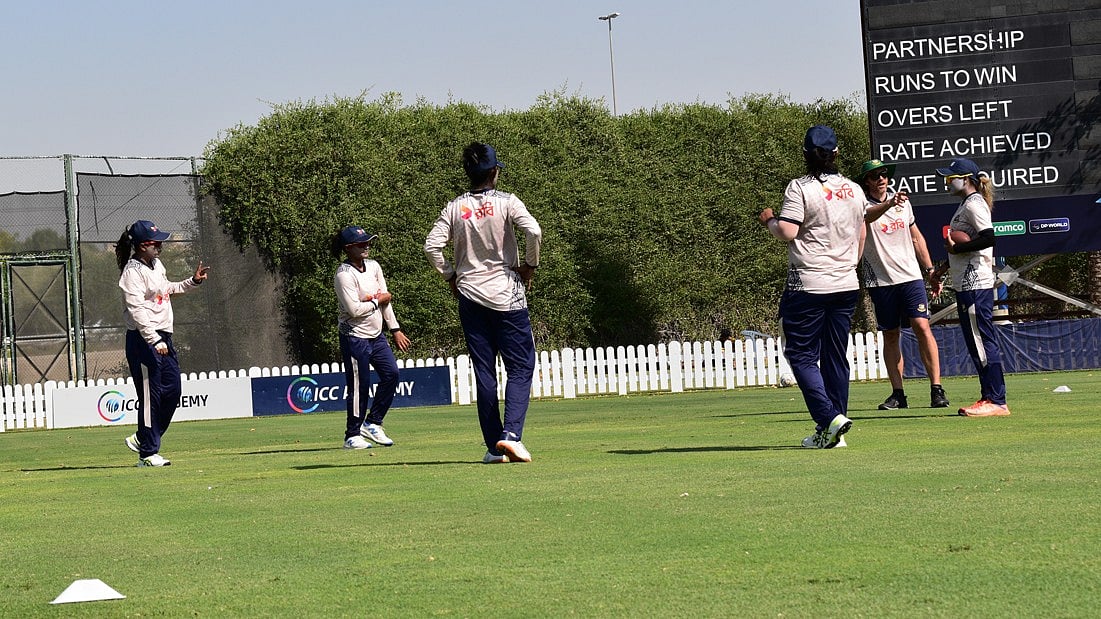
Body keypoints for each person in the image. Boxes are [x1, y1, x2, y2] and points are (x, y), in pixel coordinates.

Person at [424, 142, 542, 464]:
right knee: (520, 366)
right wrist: (530, 265)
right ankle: (512, 436)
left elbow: (431, 246)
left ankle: (494, 447)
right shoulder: (507, 201)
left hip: (470, 296)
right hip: (506, 293)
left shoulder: (455, 207)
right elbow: (534, 231)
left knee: (484, 372)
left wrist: (450, 276)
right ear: (494, 172)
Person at [758, 125, 866, 449]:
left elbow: (789, 231)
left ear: (805, 155)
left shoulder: (799, 188)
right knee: (836, 356)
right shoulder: (854, 189)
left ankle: (828, 418)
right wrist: (848, 265)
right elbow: (861, 233)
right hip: (846, 282)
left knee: (801, 354)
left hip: (808, 283)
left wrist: (768, 221)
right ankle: (835, 433)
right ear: (836, 154)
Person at [857, 159, 950, 410]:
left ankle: (936, 389)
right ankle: (898, 393)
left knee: (922, 326)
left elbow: (916, 237)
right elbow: (868, 216)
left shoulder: (902, 203)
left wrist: (930, 270)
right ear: (866, 181)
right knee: (890, 334)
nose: (880, 179)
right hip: (880, 280)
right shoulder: (862, 204)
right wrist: (889, 203)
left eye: (883, 174)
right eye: (874, 176)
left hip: (910, 277)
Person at [117, 220, 210, 467]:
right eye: (154, 243)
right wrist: (153, 339)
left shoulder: (156, 264)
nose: (160, 246)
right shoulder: (132, 272)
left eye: (160, 242)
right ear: (140, 245)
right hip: (143, 339)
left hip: (163, 337)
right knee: (150, 396)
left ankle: (142, 437)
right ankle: (147, 454)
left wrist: (193, 281)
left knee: (173, 391)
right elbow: (136, 310)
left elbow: (166, 289)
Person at [931, 158, 1010, 416]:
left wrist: (958, 247)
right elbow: (961, 247)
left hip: (976, 283)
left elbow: (989, 237)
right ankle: (988, 396)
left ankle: (996, 400)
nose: (946, 182)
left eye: (950, 177)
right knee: (976, 340)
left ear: (966, 179)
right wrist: (943, 269)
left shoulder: (975, 204)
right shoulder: (966, 204)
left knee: (981, 340)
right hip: (967, 283)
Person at [333, 226, 412, 449]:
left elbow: (386, 300)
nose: (366, 246)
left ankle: (373, 422)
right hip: (354, 336)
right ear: (349, 248)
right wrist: (377, 301)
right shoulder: (343, 275)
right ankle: (352, 434)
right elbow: (354, 310)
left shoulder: (374, 266)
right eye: (361, 244)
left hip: (376, 335)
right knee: (359, 386)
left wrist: (395, 329)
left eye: (368, 242)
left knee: (392, 374)